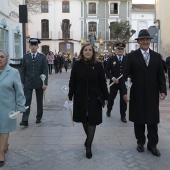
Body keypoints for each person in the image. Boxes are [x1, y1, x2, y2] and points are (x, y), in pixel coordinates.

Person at [122, 29, 167, 157]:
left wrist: (163, 91)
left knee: (153, 121)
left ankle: (152, 145)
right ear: (139, 42)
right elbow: (125, 75)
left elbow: (160, 76)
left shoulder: (157, 57)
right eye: (142, 39)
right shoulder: (131, 56)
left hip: (152, 94)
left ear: (150, 41)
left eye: (147, 39)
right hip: (137, 94)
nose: (145, 41)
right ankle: (140, 142)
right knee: (139, 119)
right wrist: (125, 92)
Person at [68, 44, 109, 159]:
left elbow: (103, 82)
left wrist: (106, 96)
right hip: (80, 97)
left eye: (90, 50)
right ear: (82, 52)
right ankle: (89, 139)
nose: (88, 52)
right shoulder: (76, 65)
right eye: (85, 50)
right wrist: (69, 96)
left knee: (92, 121)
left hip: (94, 98)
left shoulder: (98, 65)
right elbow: (72, 81)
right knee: (84, 119)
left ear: (93, 52)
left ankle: (88, 146)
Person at [0, 50, 26, 167]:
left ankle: (0, 153)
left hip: (7, 106)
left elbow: (19, 90)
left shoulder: (13, 72)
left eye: (1, 57)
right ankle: (4, 145)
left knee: (4, 129)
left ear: (6, 59)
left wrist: (21, 105)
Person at [20, 38, 48, 126]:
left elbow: (45, 71)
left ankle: (38, 117)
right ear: (29, 46)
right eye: (32, 45)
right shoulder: (25, 57)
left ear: (37, 47)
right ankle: (25, 119)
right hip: (28, 83)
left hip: (39, 83)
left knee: (39, 101)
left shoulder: (42, 57)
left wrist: (45, 83)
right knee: (27, 101)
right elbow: (23, 71)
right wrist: (22, 82)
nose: (33, 47)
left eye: (35, 45)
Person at [105, 42, 127, 123]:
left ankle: (123, 115)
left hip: (124, 83)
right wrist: (112, 77)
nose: (120, 50)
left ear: (124, 50)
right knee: (111, 98)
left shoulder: (127, 59)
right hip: (114, 83)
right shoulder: (111, 59)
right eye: (118, 49)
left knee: (123, 99)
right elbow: (106, 70)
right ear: (115, 50)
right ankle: (109, 109)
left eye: (122, 49)